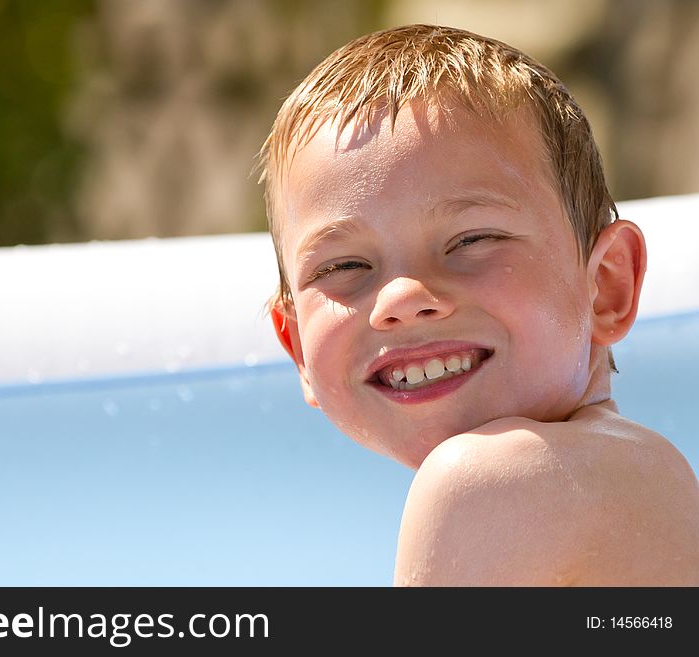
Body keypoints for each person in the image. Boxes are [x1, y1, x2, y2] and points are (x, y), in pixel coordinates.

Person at [257, 24, 699, 585]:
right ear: (297, 347)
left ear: (607, 285)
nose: (403, 298)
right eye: (344, 268)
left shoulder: (483, 484)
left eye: (470, 241)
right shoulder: (656, 478)